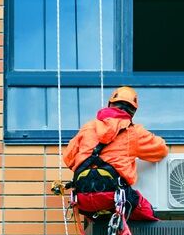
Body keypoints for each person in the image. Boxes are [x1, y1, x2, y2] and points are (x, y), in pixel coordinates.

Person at [62, 86, 168, 221]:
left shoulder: (88, 127)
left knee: (97, 225)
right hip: (114, 196)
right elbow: (161, 150)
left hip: (83, 199)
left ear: (110, 105)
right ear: (133, 111)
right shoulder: (133, 132)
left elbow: (68, 158)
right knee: (147, 213)